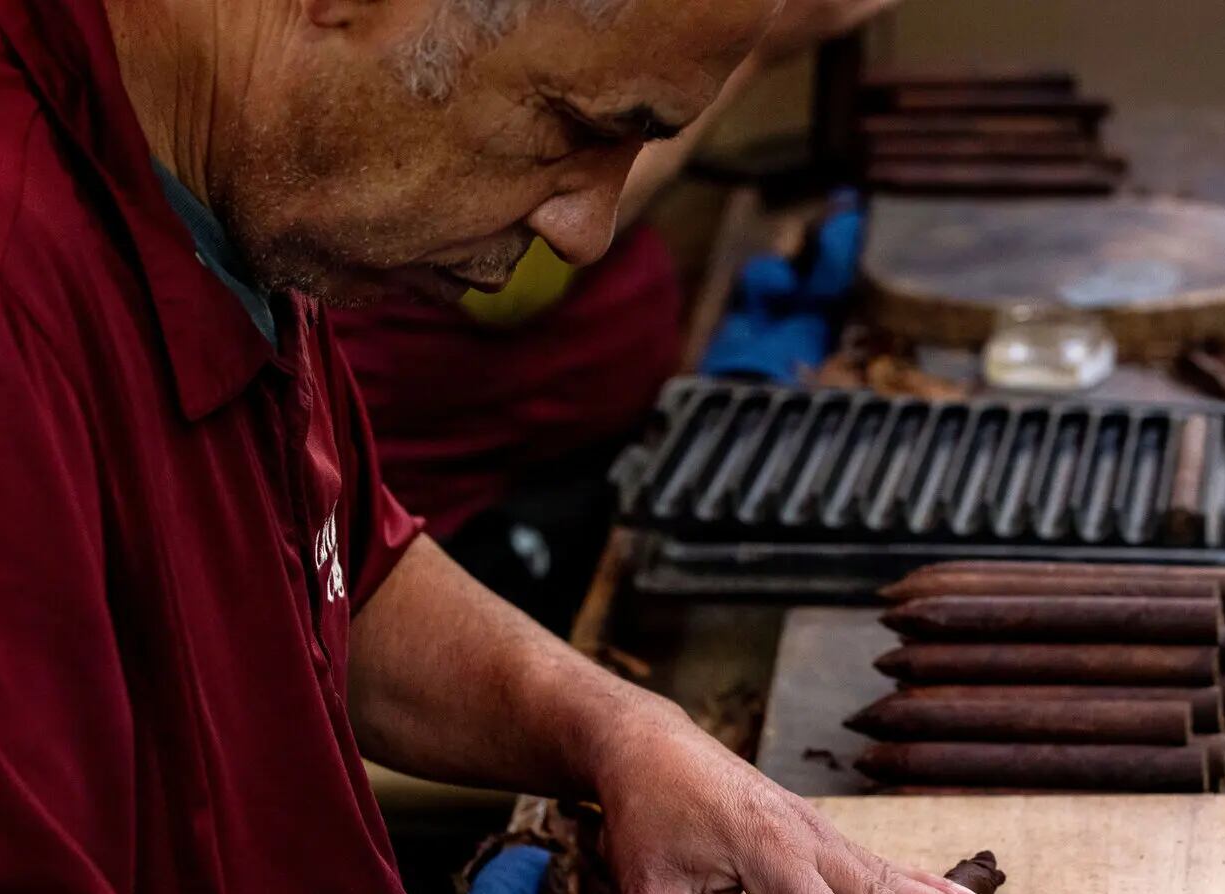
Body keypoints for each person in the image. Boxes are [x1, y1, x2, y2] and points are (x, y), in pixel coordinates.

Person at [0, 0, 1057, 894]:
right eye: (574, 129)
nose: (586, 230)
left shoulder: (228, 160)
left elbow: (341, 564)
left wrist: (620, 731)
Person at [330, 2, 894, 629]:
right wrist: (754, 52)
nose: (585, 231)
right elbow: (515, 276)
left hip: (581, 445)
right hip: (453, 512)